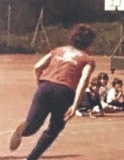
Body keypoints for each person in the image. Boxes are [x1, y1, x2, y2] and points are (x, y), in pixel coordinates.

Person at [8, 24, 96, 159]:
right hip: (65, 91)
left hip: (45, 86)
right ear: (89, 42)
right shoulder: (87, 59)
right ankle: (32, 158)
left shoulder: (58, 50)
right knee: (54, 128)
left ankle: (23, 131)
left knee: (33, 124)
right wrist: (75, 104)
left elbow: (37, 66)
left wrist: (40, 82)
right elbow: (83, 81)